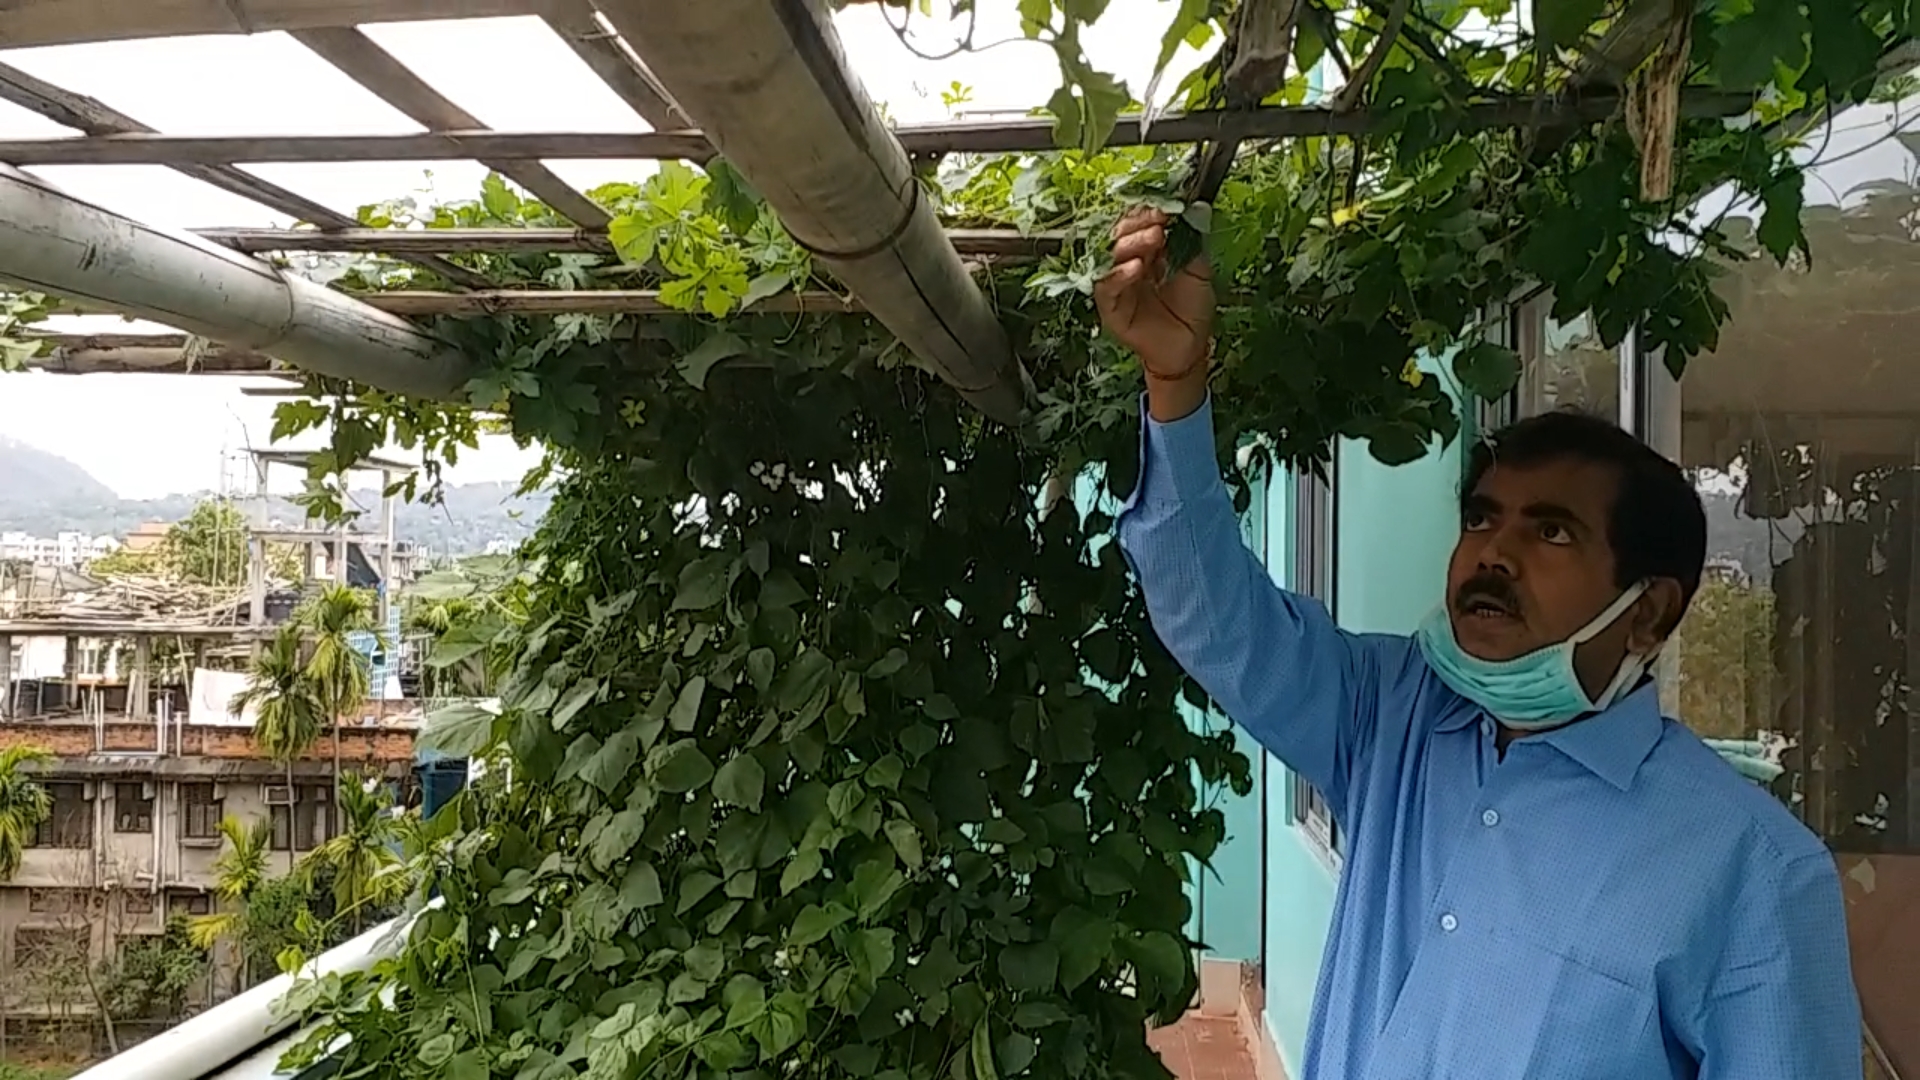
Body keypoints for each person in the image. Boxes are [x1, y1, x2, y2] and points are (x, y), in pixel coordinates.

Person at [1096, 207, 1862, 1080]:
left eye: (1554, 532)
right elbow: (1212, 617)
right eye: (1482, 518)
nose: (1494, 552)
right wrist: (1177, 383)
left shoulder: (1752, 873)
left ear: (1648, 614)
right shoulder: (1394, 719)